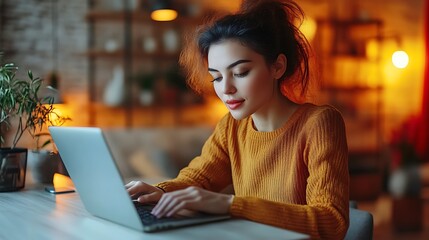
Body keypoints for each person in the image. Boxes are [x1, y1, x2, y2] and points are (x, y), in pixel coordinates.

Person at [126, 0, 349, 238]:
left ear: (278, 67)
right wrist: (157, 191)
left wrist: (228, 204)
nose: (226, 89)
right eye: (217, 77)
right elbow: (198, 178)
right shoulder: (231, 126)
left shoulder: (319, 123)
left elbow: (331, 222)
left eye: (240, 73)